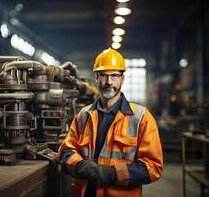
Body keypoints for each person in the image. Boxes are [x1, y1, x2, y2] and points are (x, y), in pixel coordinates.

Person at [58, 48, 163, 197]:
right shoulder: (83, 116)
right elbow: (65, 152)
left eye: (114, 76)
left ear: (122, 79)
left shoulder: (142, 118)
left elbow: (153, 167)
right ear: (96, 78)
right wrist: (80, 166)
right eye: (103, 76)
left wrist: (112, 174)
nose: (109, 82)